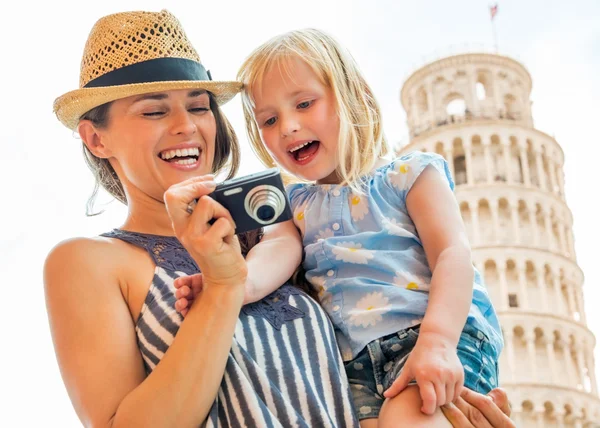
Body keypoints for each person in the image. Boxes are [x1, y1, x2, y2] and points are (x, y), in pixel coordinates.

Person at [45, 9, 513, 428]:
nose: (186, 125)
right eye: (153, 110)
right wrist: (225, 286)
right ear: (95, 138)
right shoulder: (89, 261)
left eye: (199, 106)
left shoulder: (278, 230)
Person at [226, 28, 502, 427]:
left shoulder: (408, 175)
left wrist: (438, 342)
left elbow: (452, 253)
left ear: (356, 98)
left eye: (304, 103)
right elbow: (278, 250)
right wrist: (235, 286)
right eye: (269, 119)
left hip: (430, 334)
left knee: (409, 420)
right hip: (354, 361)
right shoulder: (294, 203)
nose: (287, 126)